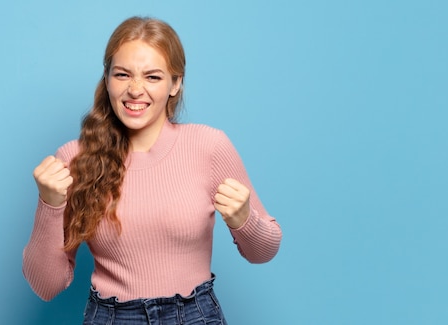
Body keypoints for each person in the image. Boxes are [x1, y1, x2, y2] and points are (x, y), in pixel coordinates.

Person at [23, 16, 282, 324]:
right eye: (122, 74)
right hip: (112, 317)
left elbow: (263, 251)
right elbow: (46, 285)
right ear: (106, 80)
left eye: (153, 77)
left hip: (194, 316)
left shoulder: (208, 146)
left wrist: (244, 220)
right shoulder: (74, 158)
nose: (135, 89)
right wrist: (50, 204)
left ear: (176, 83)